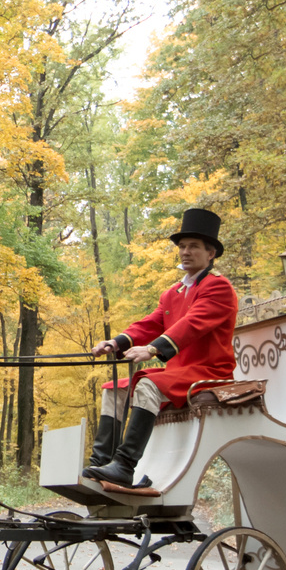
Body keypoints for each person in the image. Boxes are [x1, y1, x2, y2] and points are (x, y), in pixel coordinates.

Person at [81, 207, 239, 490]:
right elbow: (151, 323)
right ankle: (102, 461)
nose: (185, 252)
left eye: (193, 247)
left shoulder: (219, 288)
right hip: (178, 373)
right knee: (113, 387)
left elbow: (192, 324)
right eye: (182, 247)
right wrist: (114, 342)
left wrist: (151, 351)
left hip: (209, 372)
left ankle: (124, 466)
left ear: (211, 253)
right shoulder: (173, 292)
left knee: (148, 385)